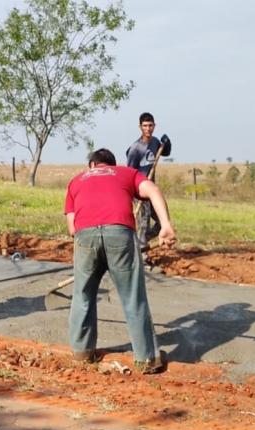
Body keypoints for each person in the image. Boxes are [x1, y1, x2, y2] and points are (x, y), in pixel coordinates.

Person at [64, 148, 176, 373]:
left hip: (85, 236)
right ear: (112, 165)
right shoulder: (126, 173)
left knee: (82, 295)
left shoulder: (76, 181)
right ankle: (147, 360)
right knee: (132, 296)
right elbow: (153, 190)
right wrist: (165, 225)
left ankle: (82, 353)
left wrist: (93, 243)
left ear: (92, 166)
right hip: (120, 234)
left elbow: (72, 228)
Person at [125, 112, 172, 261]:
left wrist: (166, 145)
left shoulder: (155, 142)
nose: (148, 128)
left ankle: (139, 243)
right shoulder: (135, 148)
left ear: (154, 126)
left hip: (152, 190)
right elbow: (130, 172)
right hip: (140, 191)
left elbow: (164, 152)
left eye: (150, 125)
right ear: (140, 127)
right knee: (143, 223)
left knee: (162, 221)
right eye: (145, 126)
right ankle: (142, 256)